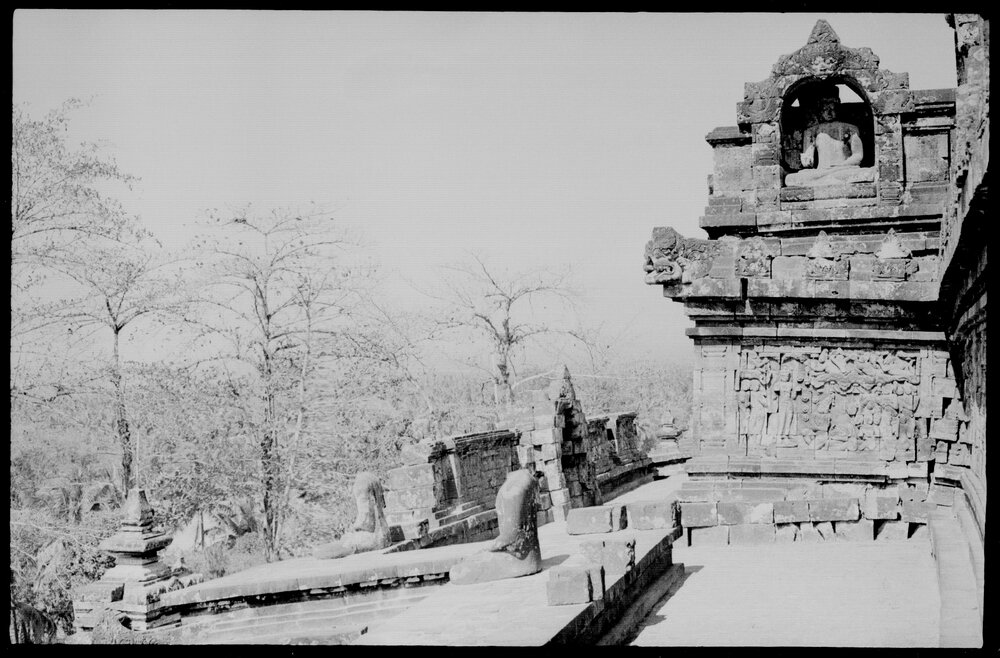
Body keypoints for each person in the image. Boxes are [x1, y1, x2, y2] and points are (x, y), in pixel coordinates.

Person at [785, 83, 873, 187]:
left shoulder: (850, 129)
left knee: (870, 172)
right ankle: (828, 178)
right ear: (819, 110)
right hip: (821, 171)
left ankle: (829, 178)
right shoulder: (811, 131)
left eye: (832, 107)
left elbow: (858, 155)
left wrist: (842, 165)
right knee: (790, 179)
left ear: (838, 107)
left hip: (843, 170)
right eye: (824, 109)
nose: (829, 112)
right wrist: (807, 160)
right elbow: (808, 161)